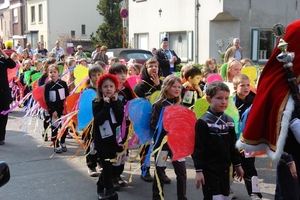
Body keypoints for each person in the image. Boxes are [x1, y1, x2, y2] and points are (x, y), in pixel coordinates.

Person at [192, 81, 244, 199]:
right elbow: (198, 148)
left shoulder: (229, 121)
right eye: (219, 98)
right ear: (209, 99)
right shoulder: (203, 122)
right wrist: (199, 171)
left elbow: (233, 146)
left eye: (226, 98)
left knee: (224, 196)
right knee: (214, 197)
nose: (223, 101)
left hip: (225, 169)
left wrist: (238, 164)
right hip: (209, 169)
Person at [150, 75, 187, 200]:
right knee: (159, 171)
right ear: (166, 88)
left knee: (181, 172)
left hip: (177, 146)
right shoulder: (159, 105)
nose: (177, 89)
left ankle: (182, 197)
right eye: (174, 86)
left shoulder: (179, 104)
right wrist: (168, 129)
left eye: (179, 87)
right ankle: (158, 196)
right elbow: (153, 124)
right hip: (163, 145)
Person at [93, 73, 124, 200]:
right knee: (106, 167)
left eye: (111, 86)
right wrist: (106, 105)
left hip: (114, 140)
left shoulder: (118, 101)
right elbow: (99, 119)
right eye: (105, 86)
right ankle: (110, 192)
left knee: (109, 167)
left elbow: (120, 117)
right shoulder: (96, 102)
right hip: (102, 141)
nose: (109, 89)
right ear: (100, 88)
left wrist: (115, 103)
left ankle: (100, 186)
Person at [232, 74, 262, 199]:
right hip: (232, 140)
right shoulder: (229, 101)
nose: (246, 88)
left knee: (249, 167)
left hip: (248, 140)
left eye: (248, 85)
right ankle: (227, 189)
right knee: (230, 166)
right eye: (242, 85)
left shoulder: (255, 101)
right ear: (235, 87)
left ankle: (255, 192)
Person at [108, 63, 136, 189]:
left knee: (123, 150)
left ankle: (118, 174)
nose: (123, 75)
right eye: (119, 73)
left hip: (125, 125)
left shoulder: (127, 90)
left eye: (124, 72)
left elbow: (132, 105)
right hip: (112, 125)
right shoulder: (109, 89)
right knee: (114, 151)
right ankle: (112, 177)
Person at [134, 58, 162, 182]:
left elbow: (166, 99)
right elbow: (135, 104)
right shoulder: (141, 86)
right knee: (145, 147)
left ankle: (161, 171)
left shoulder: (163, 83)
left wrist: (158, 86)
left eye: (155, 66)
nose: (153, 68)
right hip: (145, 121)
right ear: (145, 69)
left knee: (161, 147)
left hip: (160, 120)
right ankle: (145, 170)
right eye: (150, 66)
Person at [44, 64, 69, 153]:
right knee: (54, 128)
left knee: (64, 127)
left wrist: (65, 108)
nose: (52, 74)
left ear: (59, 73)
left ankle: (62, 141)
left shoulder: (63, 84)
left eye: (55, 72)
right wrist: (53, 110)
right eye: (50, 72)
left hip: (63, 109)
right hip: (53, 110)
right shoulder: (48, 85)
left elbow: (67, 97)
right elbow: (46, 99)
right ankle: (56, 143)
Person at [84, 64, 104, 177]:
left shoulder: (104, 88)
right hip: (90, 122)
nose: (96, 77)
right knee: (90, 143)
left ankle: (101, 163)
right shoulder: (87, 90)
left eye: (98, 75)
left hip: (102, 121)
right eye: (93, 75)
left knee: (101, 143)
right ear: (90, 77)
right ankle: (91, 165)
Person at [0, 49, 17, 145]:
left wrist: (3, 53)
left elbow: (12, 65)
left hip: (4, 92)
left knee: (3, 114)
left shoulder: (2, 60)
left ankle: (1, 137)